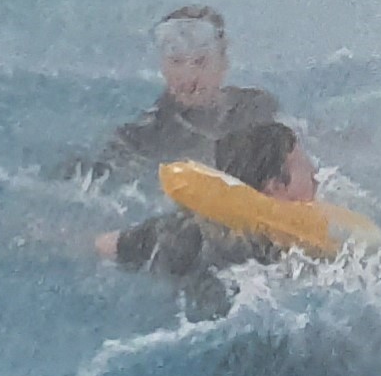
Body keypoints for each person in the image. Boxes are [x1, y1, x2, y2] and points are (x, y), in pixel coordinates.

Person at [97, 116, 307, 317]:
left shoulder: (181, 230)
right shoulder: (293, 250)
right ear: (275, 186)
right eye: (309, 175)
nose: (315, 182)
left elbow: (104, 245)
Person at [83, 7, 284, 180]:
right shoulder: (140, 140)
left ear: (223, 64)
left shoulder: (256, 108)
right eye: (176, 61)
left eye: (200, 62)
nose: (188, 76)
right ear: (163, 66)